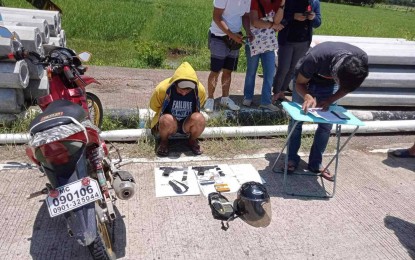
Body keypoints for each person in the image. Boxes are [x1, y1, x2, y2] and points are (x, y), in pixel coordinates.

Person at [286, 41, 369, 181]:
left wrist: (330, 99)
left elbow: (347, 87)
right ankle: (291, 159)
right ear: (336, 73)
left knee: (326, 124)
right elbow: (299, 83)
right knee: (297, 120)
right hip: (306, 81)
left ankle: (316, 163)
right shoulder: (316, 57)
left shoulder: (361, 61)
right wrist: (307, 96)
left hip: (329, 86)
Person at [149, 62, 207, 157]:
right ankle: (164, 142)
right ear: (175, 83)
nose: (184, 93)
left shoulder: (200, 90)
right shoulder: (162, 88)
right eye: (181, 89)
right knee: (166, 119)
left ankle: (192, 140)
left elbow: (200, 105)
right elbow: (154, 106)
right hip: (170, 123)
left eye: (188, 90)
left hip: (187, 123)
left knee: (199, 118)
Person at [204, 0, 252, 113]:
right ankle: (210, 98)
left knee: (228, 71)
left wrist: (248, 31)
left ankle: (225, 98)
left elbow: (245, 16)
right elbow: (217, 16)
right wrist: (231, 35)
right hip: (219, 36)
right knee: (215, 71)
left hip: (235, 38)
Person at [272, 0, 321, 103]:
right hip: (287, 40)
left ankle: (282, 92)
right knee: (283, 68)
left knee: (293, 70)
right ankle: (275, 93)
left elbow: (318, 22)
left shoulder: (315, 2)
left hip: (304, 41)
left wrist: (313, 18)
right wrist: (293, 16)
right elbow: (279, 19)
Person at [242, 0, 285, 111]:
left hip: (269, 44)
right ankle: (248, 97)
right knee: (251, 72)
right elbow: (255, 22)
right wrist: (272, 25)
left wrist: (282, 4)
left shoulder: (278, 2)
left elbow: (277, 20)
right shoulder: (255, 1)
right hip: (254, 42)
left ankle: (266, 101)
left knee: (269, 73)